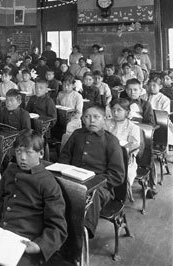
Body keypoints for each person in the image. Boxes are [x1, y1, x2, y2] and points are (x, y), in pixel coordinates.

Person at [0, 129, 67, 266]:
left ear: (40, 153)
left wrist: (38, 246)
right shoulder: (10, 170)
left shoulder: (49, 183)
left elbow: (58, 226)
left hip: (24, 244)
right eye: (19, 152)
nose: (22, 157)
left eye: (28, 152)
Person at [60, 104, 125, 239]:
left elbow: (117, 175)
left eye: (96, 117)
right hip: (72, 179)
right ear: (83, 119)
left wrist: (94, 183)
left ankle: (81, 234)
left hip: (101, 187)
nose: (92, 120)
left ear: (104, 119)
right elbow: (64, 156)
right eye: (87, 117)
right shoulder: (77, 134)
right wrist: (66, 171)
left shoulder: (111, 141)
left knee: (90, 195)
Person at [105, 98, 141, 200]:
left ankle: (119, 197)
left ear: (127, 112)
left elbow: (135, 144)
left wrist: (125, 148)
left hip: (124, 160)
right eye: (113, 110)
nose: (115, 113)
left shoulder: (133, 127)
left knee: (123, 174)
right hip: (105, 156)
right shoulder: (106, 123)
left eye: (119, 110)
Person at [56, 74, 84, 146]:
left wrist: (70, 118)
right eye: (64, 85)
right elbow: (57, 106)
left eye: (68, 85)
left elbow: (79, 112)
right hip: (61, 119)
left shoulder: (78, 96)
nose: (65, 87)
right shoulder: (60, 94)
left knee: (69, 133)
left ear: (73, 85)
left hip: (73, 120)